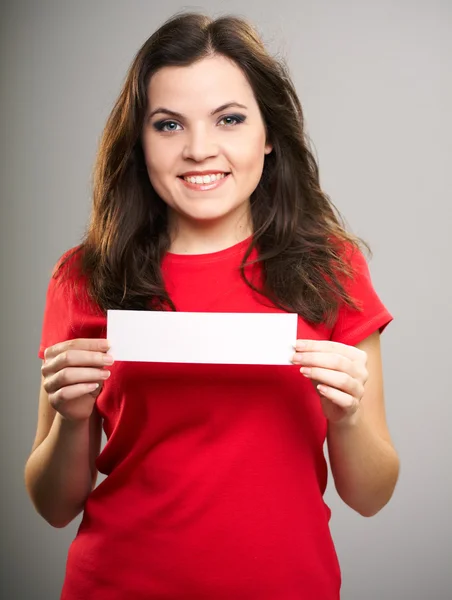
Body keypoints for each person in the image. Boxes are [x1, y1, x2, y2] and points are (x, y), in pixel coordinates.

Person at [24, 11, 400, 600]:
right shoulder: (84, 276)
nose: (200, 150)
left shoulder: (333, 268)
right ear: (140, 140)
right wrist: (71, 422)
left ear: (269, 134)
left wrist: (347, 417)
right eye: (169, 125)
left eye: (229, 119)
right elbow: (52, 506)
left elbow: (372, 496)